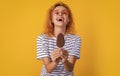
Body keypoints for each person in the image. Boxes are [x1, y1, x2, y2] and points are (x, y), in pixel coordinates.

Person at [36, 2, 81, 76]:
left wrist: (64, 60)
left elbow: (70, 68)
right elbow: (48, 69)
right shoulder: (42, 39)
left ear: (68, 19)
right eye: (56, 13)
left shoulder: (76, 39)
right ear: (52, 19)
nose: (60, 14)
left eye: (64, 13)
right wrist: (55, 62)